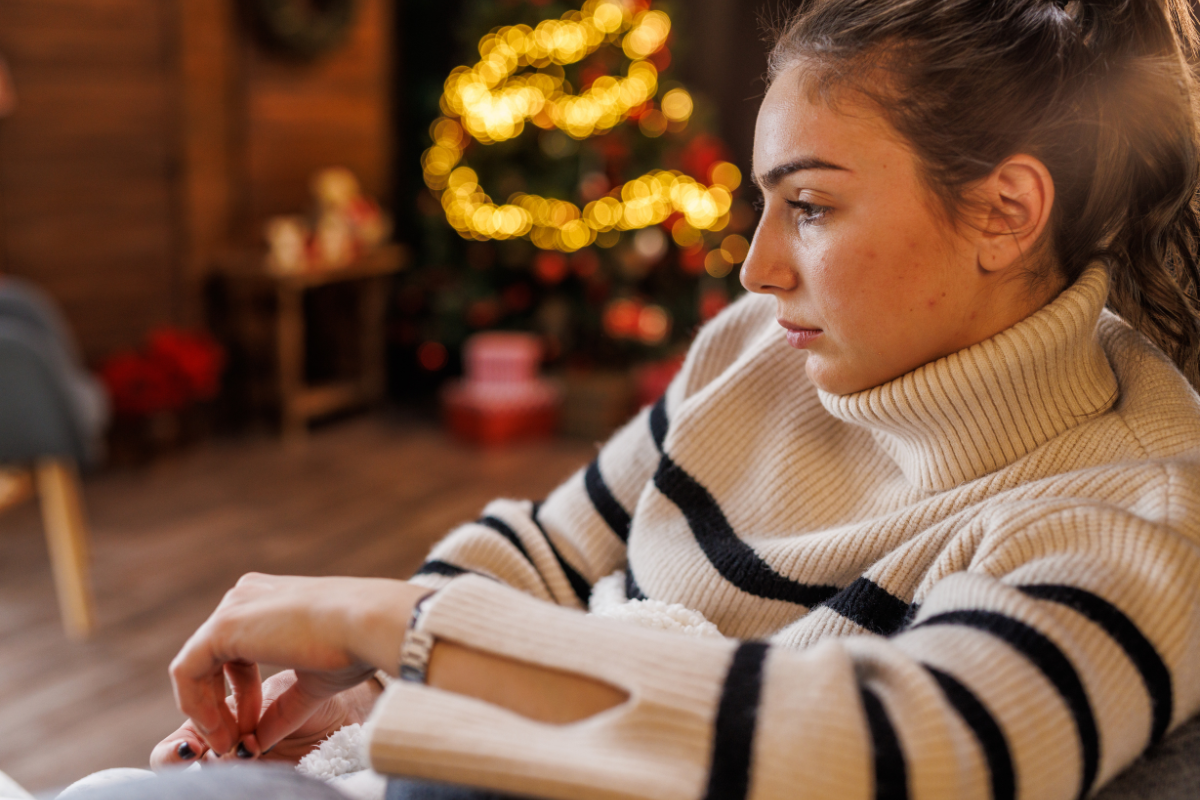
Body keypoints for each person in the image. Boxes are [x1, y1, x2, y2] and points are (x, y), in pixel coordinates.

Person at [147, 0, 1200, 798]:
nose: (756, 269)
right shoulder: (761, 349)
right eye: (764, 204)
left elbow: (922, 746)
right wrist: (364, 689)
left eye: (813, 206)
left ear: (1007, 211)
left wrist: (401, 627)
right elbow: (551, 548)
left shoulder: (1137, 503)